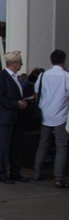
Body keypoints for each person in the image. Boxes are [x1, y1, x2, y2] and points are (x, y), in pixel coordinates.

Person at [33, 50, 69, 187]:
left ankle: (37, 173)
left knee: (43, 144)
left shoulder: (43, 75)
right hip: (61, 115)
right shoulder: (66, 76)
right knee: (61, 147)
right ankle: (59, 178)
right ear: (63, 60)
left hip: (44, 115)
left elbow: (37, 93)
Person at [0, 51, 29, 184]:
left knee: (16, 146)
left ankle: (15, 172)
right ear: (14, 63)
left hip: (16, 117)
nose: (22, 65)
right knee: (4, 147)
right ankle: (1, 173)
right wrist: (15, 103)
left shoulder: (16, 78)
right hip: (5, 118)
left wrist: (22, 101)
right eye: (20, 62)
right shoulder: (1, 77)